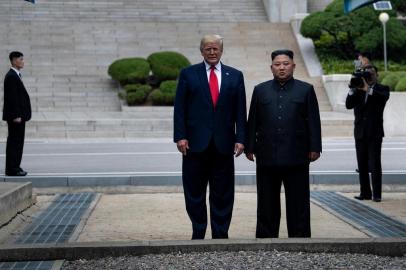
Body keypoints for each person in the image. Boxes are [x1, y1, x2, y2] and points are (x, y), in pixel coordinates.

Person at [173, 34, 247, 239]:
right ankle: (198, 231)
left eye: (216, 49)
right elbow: (180, 108)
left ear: (222, 50)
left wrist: (241, 138)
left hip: (224, 145)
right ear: (201, 51)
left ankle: (221, 233)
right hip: (193, 145)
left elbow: (241, 111)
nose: (212, 52)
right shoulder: (188, 74)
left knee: (223, 192)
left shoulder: (235, 75)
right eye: (208, 49)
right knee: (194, 192)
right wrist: (180, 136)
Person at [245, 49, 321, 238]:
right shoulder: (260, 90)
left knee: (298, 201)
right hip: (266, 155)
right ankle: (266, 237)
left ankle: (300, 237)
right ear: (271, 67)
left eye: (286, 64)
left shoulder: (306, 90)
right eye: (277, 64)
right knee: (266, 201)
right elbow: (253, 119)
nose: (281, 68)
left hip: (297, 155)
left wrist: (315, 147)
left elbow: (313, 120)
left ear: (293, 66)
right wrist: (249, 146)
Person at [346, 64, 389, 202]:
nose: (369, 76)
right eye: (367, 74)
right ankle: (365, 192)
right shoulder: (358, 89)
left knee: (375, 164)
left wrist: (367, 88)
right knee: (362, 164)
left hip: (375, 132)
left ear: (377, 75)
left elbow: (381, 98)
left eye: (371, 73)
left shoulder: (382, 89)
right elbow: (348, 105)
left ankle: (377, 194)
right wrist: (352, 89)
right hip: (360, 132)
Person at [3, 51, 32, 176]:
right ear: (14, 60)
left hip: (20, 116)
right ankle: (12, 169)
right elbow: (12, 98)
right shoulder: (11, 76)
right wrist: (16, 115)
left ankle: (16, 166)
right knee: (14, 142)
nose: (23, 61)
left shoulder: (16, 75)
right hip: (16, 117)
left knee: (18, 142)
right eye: (21, 59)